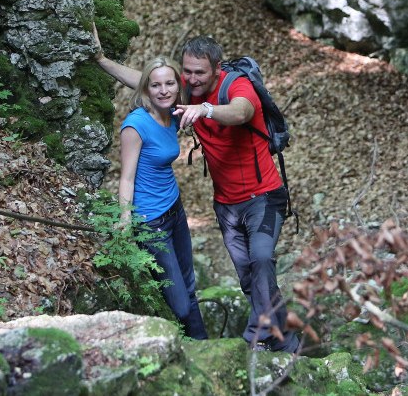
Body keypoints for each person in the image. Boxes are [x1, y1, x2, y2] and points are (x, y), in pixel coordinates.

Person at [92, 28, 299, 353]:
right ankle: (280, 336)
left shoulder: (236, 85)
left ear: (217, 69)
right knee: (248, 277)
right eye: (186, 72)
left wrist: (206, 109)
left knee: (261, 259)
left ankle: (267, 340)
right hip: (227, 205)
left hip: (264, 197)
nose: (190, 79)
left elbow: (242, 111)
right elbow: (148, 83)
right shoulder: (186, 90)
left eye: (198, 73)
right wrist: (102, 61)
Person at [94, 48, 208, 340]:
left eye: (169, 83)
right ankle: (179, 343)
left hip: (175, 208)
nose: (163, 90)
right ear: (146, 89)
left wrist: (104, 59)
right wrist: (124, 217)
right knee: (181, 306)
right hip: (151, 222)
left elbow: (149, 81)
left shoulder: (172, 111)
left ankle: (205, 350)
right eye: (155, 85)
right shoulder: (136, 125)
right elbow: (127, 177)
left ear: (177, 86)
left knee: (190, 287)